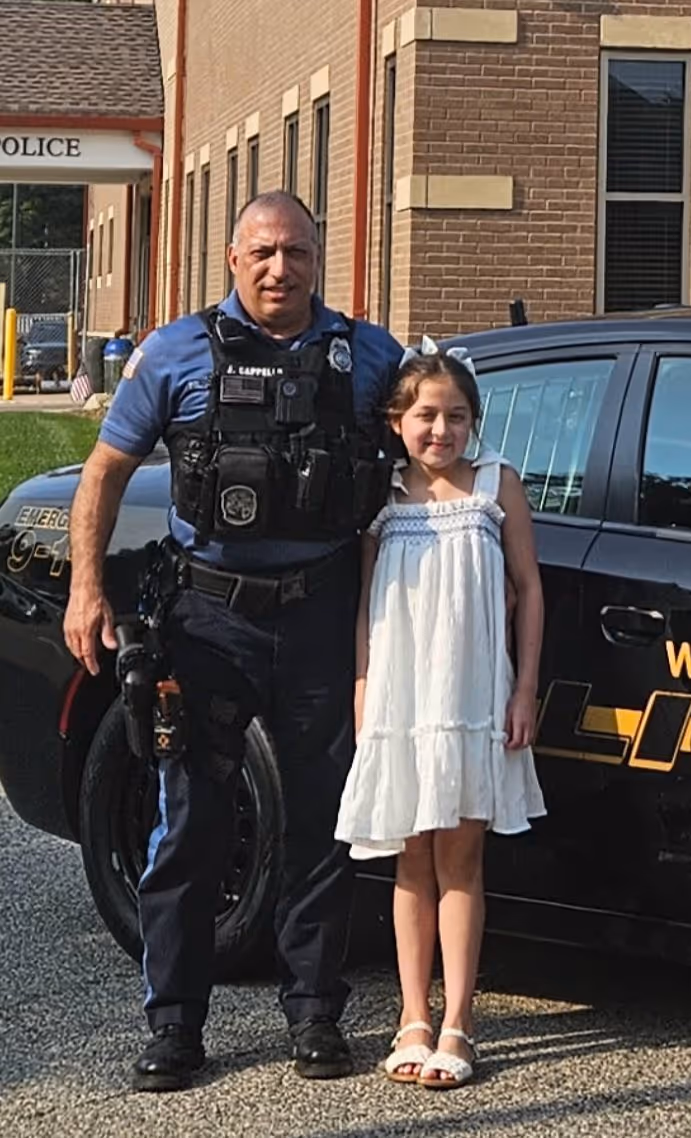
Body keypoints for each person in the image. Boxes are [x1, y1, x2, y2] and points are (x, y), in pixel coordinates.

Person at [62, 190, 402, 1092]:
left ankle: (315, 1013)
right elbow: (104, 471)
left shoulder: (370, 357)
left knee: (326, 819)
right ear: (230, 258)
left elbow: (432, 456)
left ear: (319, 254)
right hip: (208, 618)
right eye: (260, 253)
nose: (278, 269)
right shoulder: (173, 352)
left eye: (293, 251)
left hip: (323, 611)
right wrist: (88, 587)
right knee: (191, 818)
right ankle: (174, 1023)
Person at [334, 336, 547, 1090]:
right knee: (410, 860)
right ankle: (411, 1016)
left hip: (471, 698)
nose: (441, 431)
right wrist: (363, 691)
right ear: (397, 420)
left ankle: (458, 1020)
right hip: (401, 697)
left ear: (474, 424)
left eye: (457, 417)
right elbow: (365, 609)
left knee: (460, 858)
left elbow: (529, 591)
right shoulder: (384, 498)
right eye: (426, 415)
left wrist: (523, 691)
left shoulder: (496, 487)